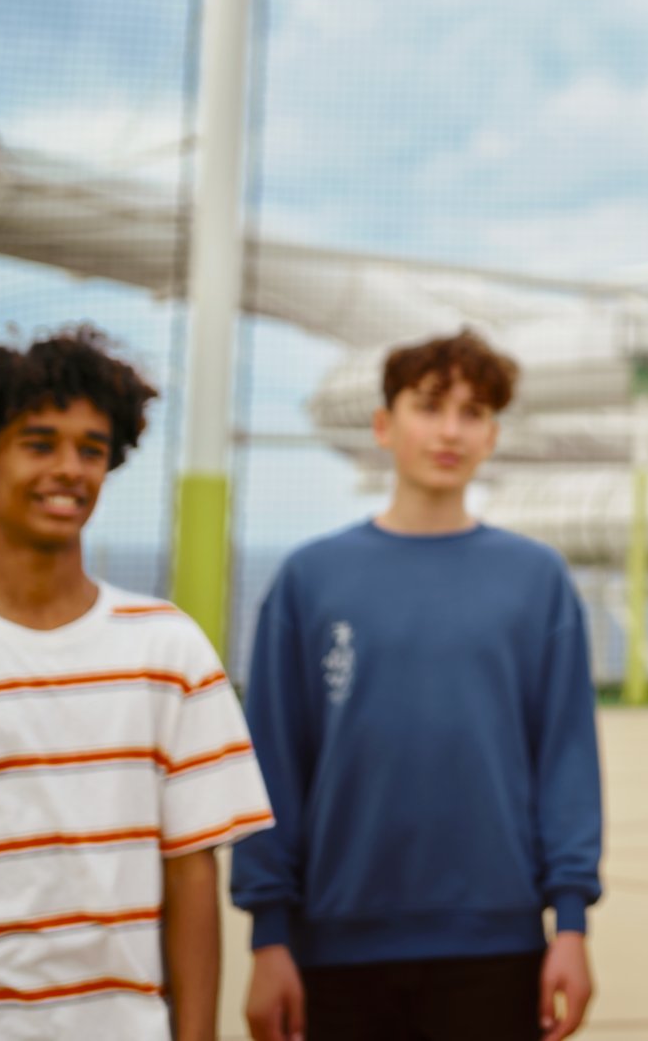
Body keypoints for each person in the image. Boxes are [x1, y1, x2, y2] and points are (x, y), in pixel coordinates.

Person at [0, 326, 272, 1039]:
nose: (70, 468)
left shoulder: (169, 651)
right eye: (39, 444)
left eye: (91, 450)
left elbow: (192, 876)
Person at [231, 328, 601, 1041]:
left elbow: (565, 761)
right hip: (334, 949)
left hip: (497, 945)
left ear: (493, 435)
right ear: (383, 425)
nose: (450, 430)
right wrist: (268, 934)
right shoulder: (312, 580)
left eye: (473, 412)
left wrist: (572, 923)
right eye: (430, 406)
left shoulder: (537, 581)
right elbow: (274, 764)